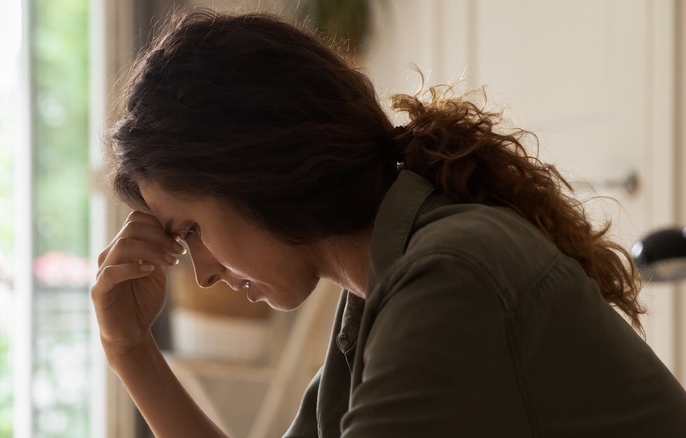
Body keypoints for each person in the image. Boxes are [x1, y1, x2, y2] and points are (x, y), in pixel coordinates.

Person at [91, 8, 686, 437]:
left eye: (190, 229)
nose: (202, 275)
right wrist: (130, 349)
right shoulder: (374, 300)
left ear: (257, 173)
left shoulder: (449, 275)